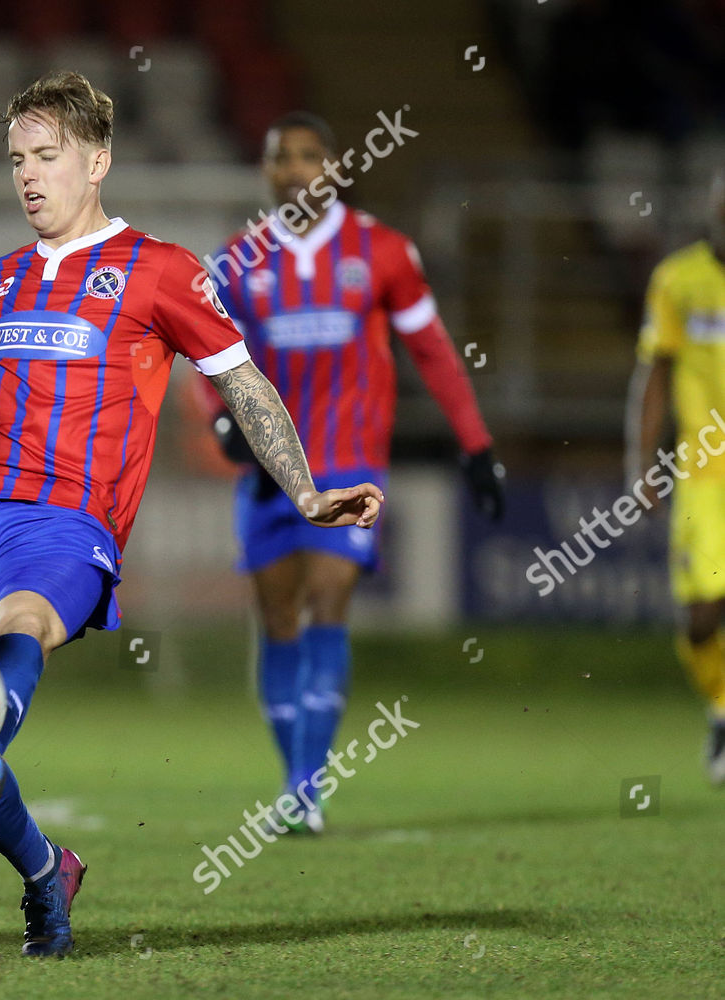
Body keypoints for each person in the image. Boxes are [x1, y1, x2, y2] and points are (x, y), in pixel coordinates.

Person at [0, 73, 383, 957]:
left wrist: (306, 490)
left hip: (68, 524)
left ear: (99, 160)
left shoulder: (160, 270)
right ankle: (48, 871)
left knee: (15, 636)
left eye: (48, 156)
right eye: (16, 160)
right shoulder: (0, 278)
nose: (28, 177)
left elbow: (241, 380)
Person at [202, 111, 503, 833]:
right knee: (276, 618)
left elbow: (430, 348)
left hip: (352, 460)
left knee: (327, 601)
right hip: (275, 467)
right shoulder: (237, 260)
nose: (296, 170)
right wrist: (223, 421)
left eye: (309, 156)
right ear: (267, 171)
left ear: (335, 166)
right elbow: (205, 359)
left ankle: (306, 791)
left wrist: (476, 444)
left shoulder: (384, 251)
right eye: (281, 158)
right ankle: (294, 779)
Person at [628, 166, 725, 783]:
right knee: (702, 614)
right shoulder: (678, 280)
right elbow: (654, 375)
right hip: (704, 472)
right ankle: (721, 707)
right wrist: (642, 464)